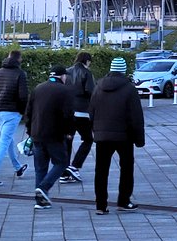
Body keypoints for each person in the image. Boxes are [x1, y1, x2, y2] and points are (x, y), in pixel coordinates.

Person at [89, 57, 145, 214]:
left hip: (102, 136)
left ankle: (101, 205)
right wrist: (139, 139)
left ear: (111, 69)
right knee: (126, 168)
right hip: (124, 136)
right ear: (124, 70)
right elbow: (136, 117)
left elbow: (91, 111)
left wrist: (94, 130)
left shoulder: (98, 87)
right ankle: (123, 201)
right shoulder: (129, 89)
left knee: (101, 170)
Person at [25, 64, 75, 210]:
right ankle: (44, 188)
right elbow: (68, 114)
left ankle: (40, 200)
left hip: (37, 134)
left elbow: (29, 112)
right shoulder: (65, 91)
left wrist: (29, 131)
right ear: (63, 76)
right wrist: (70, 132)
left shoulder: (38, 88)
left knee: (40, 168)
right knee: (62, 162)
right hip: (55, 134)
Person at [0, 50, 29, 187]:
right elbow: (23, 96)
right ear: (19, 60)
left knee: (8, 139)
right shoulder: (20, 74)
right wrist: (22, 112)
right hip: (12, 112)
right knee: (3, 143)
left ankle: (17, 167)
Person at [60, 51, 96, 184]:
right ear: (87, 61)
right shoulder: (86, 73)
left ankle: (64, 173)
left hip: (68, 113)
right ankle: (74, 166)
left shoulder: (67, 72)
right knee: (88, 139)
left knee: (67, 141)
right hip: (82, 112)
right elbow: (91, 92)